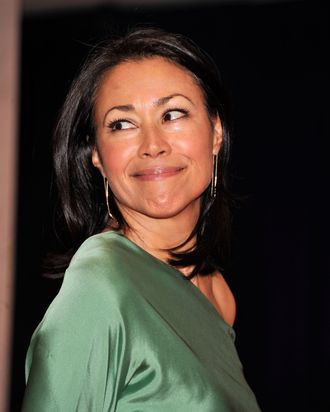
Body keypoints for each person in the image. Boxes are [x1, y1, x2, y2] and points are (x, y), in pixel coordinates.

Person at [22, 27, 261, 411]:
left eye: (172, 114)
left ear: (216, 132)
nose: (152, 145)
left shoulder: (217, 292)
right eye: (122, 124)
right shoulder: (101, 283)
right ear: (96, 155)